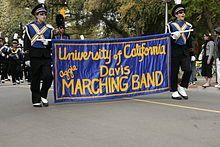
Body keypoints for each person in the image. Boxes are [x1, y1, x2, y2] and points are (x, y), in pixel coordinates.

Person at [24, 3, 54, 107]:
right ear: (36, 15)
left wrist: (48, 43)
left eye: (45, 14)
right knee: (35, 78)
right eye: (41, 14)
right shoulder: (29, 27)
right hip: (34, 55)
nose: (44, 16)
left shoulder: (49, 29)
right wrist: (26, 58)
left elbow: (53, 43)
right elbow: (26, 43)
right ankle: (36, 99)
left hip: (45, 56)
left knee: (49, 76)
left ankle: (43, 95)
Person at [167, 4, 193, 100]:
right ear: (176, 14)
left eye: (183, 12)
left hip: (184, 50)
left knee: (188, 70)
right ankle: (174, 90)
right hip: (174, 50)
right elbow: (167, 39)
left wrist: (192, 53)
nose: (183, 14)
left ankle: (182, 86)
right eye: (180, 12)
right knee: (174, 71)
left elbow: (190, 40)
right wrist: (173, 38)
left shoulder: (188, 26)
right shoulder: (170, 26)